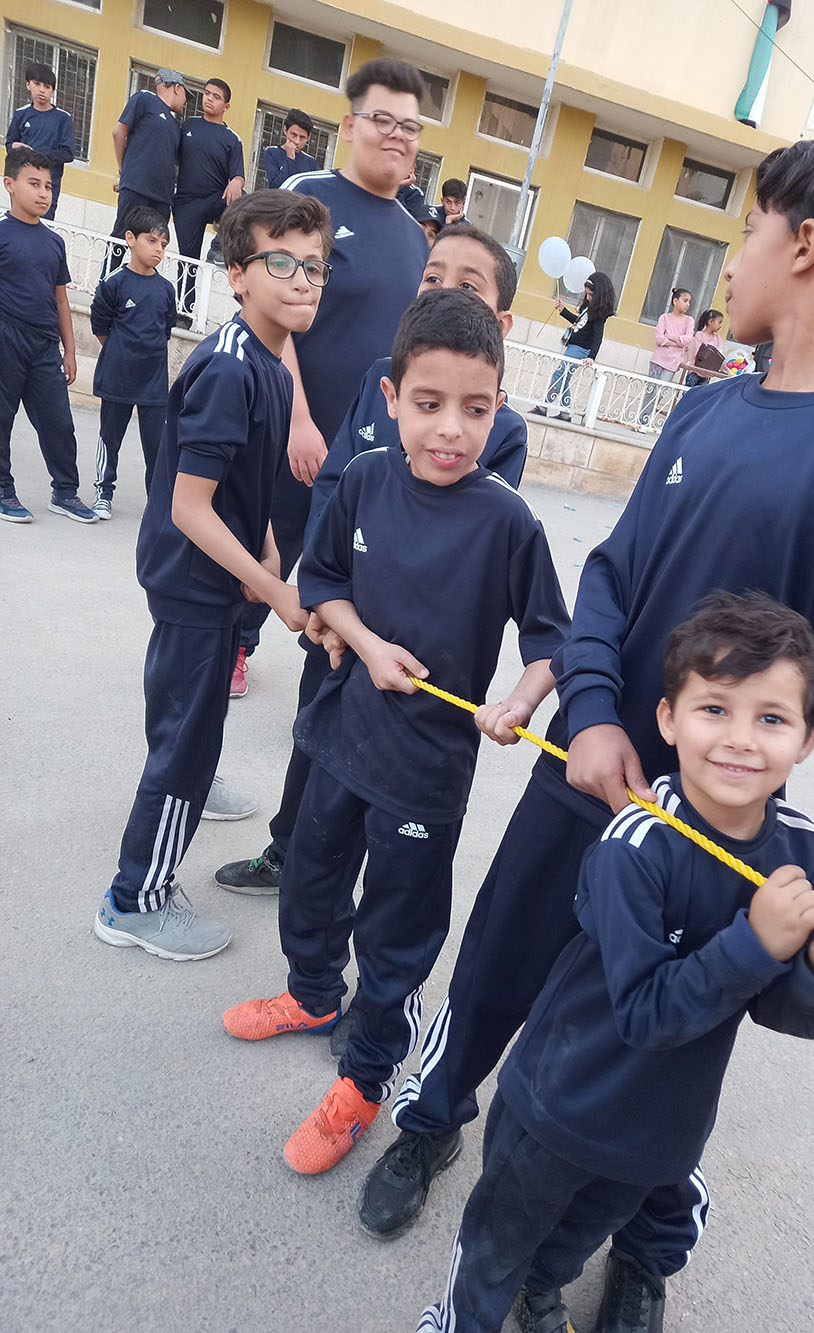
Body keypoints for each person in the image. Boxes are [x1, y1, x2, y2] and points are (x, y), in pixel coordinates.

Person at [360, 129, 814, 1333]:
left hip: (717, 825)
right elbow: (612, 578)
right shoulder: (702, 411)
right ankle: (431, 1119)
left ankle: (642, 1244)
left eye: (746, 231)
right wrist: (591, 713)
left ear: (805, 244)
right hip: (588, 775)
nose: (731, 260)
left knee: (673, 1034)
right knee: (496, 963)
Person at [418, 592, 814, 1333]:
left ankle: (543, 1288)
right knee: (495, 1246)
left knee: (573, 1241)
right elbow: (642, 1011)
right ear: (668, 719)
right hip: (557, 1106)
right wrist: (757, 942)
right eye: (714, 709)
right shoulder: (634, 843)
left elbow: (779, 1008)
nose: (740, 739)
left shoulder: (800, 852)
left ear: (809, 737)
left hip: (661, 1129)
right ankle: (460, 1320)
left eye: (771, 718)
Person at [221, 288, 570, 1178]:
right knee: (308, 882)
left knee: (395, 934)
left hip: (426, 770)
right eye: (429, 403)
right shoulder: (367, 478)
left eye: (476, 409)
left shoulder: (509, 520)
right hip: (341, 734)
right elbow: (323, 583)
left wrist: (518, 702)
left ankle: (365, 1077)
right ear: (391, 397)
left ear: (500, 407)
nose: (451, 429)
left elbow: (552, 643)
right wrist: (369, 645)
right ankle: (310, 995)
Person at [215, 223, 528, 898]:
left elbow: (464, 541)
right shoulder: (378, 379)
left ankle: (361, 885)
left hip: (411, 649)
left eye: (468, 285)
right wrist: (325, 601)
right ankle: (290, 851)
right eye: (433, 276)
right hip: (339, 621)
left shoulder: (500, 430)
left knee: (387, 777)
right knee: (315, 740)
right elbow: (334, 486)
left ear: (501, 323)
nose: (443, 290)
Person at [92, 189, 332, 960]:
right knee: (185, 747)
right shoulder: (232, 368)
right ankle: (135, 899)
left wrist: (267, 548)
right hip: (194, 580)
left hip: (217, 577)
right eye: (281, 262)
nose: (303, 280)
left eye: (315, 266)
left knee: (191, 724)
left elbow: (240, 481)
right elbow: (191, 506)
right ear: (237, 274)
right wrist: (274, 587)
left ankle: (188, 775)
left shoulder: (269, 361)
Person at [233, 57, 429, 690]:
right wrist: (297, 418)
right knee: (266, 544)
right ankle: (232, 643)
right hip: (292, 426)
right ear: (349, 125)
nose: (396, 135)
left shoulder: (415, 237)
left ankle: (330, 680)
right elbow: (272, 310)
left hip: (362, 445)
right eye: (382, 119)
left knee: (347, 564)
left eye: (410, 126)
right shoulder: (310, 196)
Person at [0, 148, 96, 524]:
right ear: (9, 185)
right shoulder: (2, 234)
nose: (43, 193)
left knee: (58, 422)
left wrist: (69, 351)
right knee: (2, 418)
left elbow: (60, 300)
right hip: (7, 337)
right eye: (34, 184)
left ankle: (65, 492)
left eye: (49, 186)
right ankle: (3, 489)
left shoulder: (54, 243)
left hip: (44, 346)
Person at [90, 206, 176, 516]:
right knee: (109, 438)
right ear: (130, 239)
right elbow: (100, 326)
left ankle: (158, 503)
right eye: (152, 241)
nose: (158, 249)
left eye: (163, 244)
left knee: (157, 446)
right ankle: (103, 492)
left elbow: (166, 330)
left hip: (154, 384)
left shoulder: (166, 289)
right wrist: (121, 351)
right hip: (118, 378)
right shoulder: (114, 283)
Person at [173, 78, 246, 319]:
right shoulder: (188, 125)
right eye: (207, 93)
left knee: (243, 200)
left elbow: (238, 175)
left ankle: (219, 245)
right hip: (186, 203)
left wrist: (237, 181)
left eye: (216, 96)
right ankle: (184, 313)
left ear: (226, 105)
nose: (209, 99)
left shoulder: (232, 138)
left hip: (215, 200)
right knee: (187, 261)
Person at [109, 69, 187, 271]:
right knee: (122, 235)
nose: (185, 101)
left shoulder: (175, 125)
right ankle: (106, 281)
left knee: (154, 244)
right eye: (185, 94)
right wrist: (123, 171)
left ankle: (142, 283)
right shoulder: (144, 99)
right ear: (177, 88)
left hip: (162, 196)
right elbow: (119, 132)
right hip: (136, 186)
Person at [529, 272, 616, 423]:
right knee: (564, 378)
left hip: (580, 349)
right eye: (587, 294)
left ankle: (544, 407)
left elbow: (598, 337)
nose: (587, 298)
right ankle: (565, 413)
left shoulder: (599, 315)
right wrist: (563, 310)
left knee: (559, 375)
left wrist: (592, 357)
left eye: (590, 295)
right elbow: (580, 323)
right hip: (575, 346)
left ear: (599, 295)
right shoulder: (589, 309)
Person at [5, 61, 75, 220]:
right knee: (20, 221)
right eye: (37, 84)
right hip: (22, 180)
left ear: (53, 92)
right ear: (28, 85)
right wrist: (13, 147)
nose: (42, 90)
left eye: (47, 86)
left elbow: (68, 153)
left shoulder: (63, 118)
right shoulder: (20, 114)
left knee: (43, 223)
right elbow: (10, 144)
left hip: (49, 182)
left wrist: (35, 154)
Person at [638, 288, 694, 427]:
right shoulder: (664, 317)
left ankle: (645, 420)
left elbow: (688, 339)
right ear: (675, 301)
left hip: (673, 362)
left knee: (661, 392)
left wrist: (670, 337)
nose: (687, 304)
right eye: (685, 301)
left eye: (689, 302)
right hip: (658, 359)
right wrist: (677, 343)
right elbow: (659, 338)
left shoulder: (689, 321)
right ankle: (641, 421)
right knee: (650, 390)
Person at [263, 109, 317, 189]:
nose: (297, 141)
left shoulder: (311, 163)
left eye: (302, 137)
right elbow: (275, 187)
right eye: (294, 135)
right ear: (285, 130)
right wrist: (290, 159)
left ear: (308, 138)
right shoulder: (272, 152)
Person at [682, 308, 725, 388]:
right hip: (695, 371)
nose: (720, 326)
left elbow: (719, 354)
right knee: (688, 392)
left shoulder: (718, 338)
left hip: (707, 374)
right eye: (719, 322)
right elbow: (698, 353)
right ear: (711, 322)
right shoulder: (700, 335)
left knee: (700, 394)